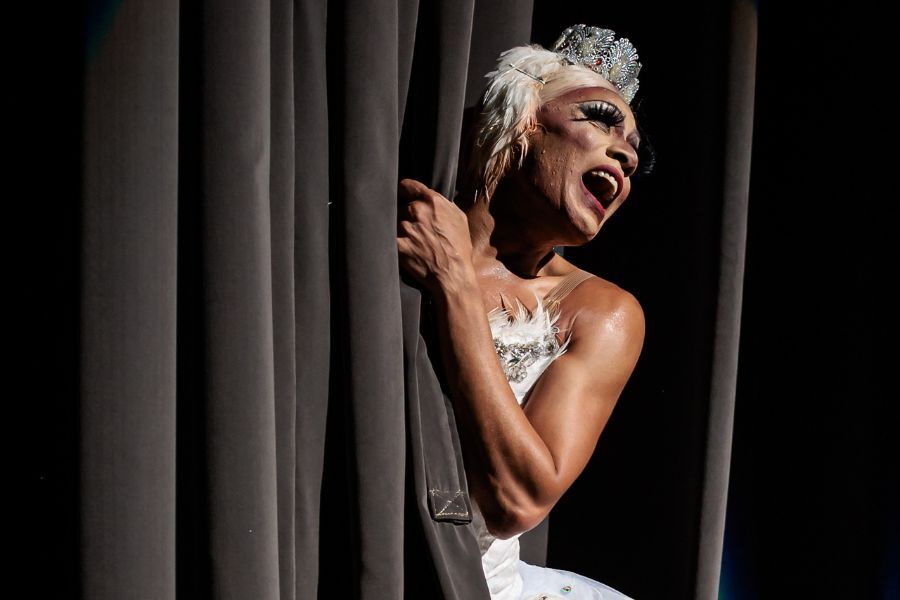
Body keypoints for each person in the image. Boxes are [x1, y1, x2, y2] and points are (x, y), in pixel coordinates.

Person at [397, 25, 653, 600]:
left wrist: (454, 285)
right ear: (520, 121)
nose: (627, 155)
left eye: (636, 153)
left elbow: (517, 500)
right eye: (600, 118)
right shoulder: (401, 223)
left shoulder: (601, 312)